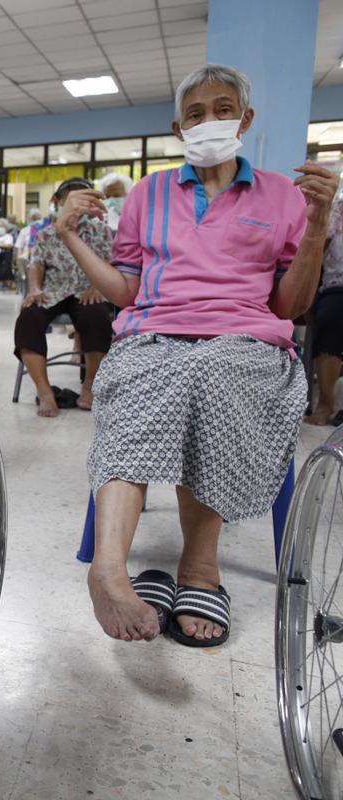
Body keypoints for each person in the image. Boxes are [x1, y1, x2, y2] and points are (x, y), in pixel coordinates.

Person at [61, 65, 336, 648]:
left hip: (245, 339)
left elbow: (291, 304)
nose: (210, 120)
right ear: (178, 127)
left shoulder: (283, 196)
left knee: (213, 375)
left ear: (246, 118)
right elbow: (128, 293)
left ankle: (199, 568)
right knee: (134, 375)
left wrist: (315, 229)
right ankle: (109, 568)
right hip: (155, 331)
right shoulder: (149, 193)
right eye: (196, 113)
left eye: (223, 108)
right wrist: (70, 237)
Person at [14, 178, 115, 417]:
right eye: (69, 201)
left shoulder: (100, 232)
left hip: (87, 290)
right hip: (54, 291)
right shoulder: (46, 234)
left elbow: (112, 263)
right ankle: (45, 391)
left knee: (97, 317)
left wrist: (99, 287)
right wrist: (35, 289)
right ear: (58, 203)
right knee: (28, 317)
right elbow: (36, 265)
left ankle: (90, 385)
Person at [307, 196, 343, 425]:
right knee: (330, 316)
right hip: (337, 286)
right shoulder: (338, 208)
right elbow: (321, 243)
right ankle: (325, 406)